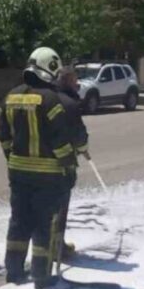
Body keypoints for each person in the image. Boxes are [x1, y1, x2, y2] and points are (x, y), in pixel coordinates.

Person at [0, 47, 77, 289]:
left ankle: (13, 271)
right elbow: (60, 140)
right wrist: (68, 166)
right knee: (44, 224)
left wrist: (14, 159)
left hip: (19, 174)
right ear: (51, 68)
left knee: (19, 221)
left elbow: (3, 137)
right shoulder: (51, 99)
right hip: (49, 176)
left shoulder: (11, 97)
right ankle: (41, 276)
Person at [53, 66, 90, 262]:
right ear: (67, 81)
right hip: (62, 165)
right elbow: (79, 136)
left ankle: (44, 245)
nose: (77, 84)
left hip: (38, 164)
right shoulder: (69, 103)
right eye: (75, 80)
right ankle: (58, 248)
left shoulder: (46, 98)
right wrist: (83, 148)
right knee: (59, 208)